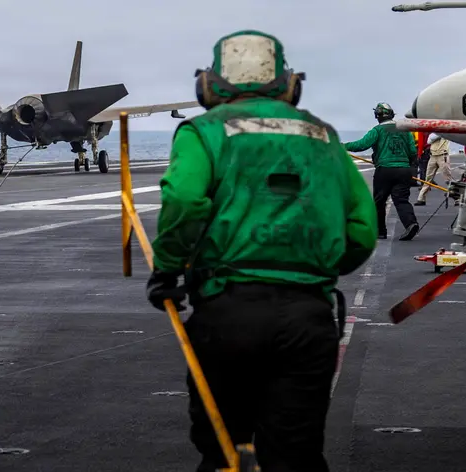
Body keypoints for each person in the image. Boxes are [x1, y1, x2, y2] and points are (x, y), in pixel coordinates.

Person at [144, 30, 378, 472]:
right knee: (296, 453)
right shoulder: (323, 136)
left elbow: (183, 200)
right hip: (308, 316)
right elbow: (362, 230)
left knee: (223, 451)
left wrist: (167, 270)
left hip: (226, 314)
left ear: (209, 84)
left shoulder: (203, 131)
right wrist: (319, 270)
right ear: (290, 84)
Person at [343, 102, 420, 241]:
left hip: (385, 170)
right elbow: (412, 151)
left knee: (379, 201)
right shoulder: (404, 130)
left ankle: (381, 232)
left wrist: (343, 146)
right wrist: (409, 167)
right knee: (401, 200)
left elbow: (361, 145)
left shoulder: (377, 131)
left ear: (377, 116)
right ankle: (411, 223)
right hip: (404, 170)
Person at [415, 133, 452, 206]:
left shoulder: (441, 131)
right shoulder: (438, 132)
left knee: (448, 179)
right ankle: (421, 198)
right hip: (434, 155)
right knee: (428, 178)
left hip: (442, 155)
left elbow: (430, 139)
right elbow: (429, 140)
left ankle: (456, 197)